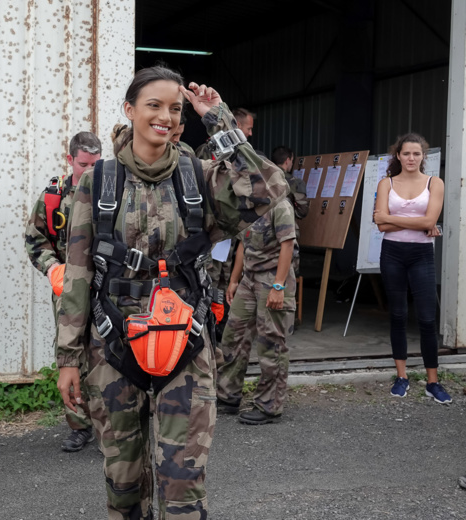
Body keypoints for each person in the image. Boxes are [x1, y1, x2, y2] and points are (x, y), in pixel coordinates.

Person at [56, 66, 287, 519]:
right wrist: (68, 358)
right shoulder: (97, 181)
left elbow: (268, 190)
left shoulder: (200, 177)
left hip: (187, 343)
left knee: (182, 485)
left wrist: (217, 118)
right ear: (130, 110)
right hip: (114, 345)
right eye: (153, 105)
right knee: (123, 484)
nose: (165, 116)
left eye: (175, 109)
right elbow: (78, 272)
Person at [25, 131, 102, 452]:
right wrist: (52, 268)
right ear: (70, 160)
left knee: (104, 357)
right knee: (71, 359)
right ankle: (79, 425)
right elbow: (35, 240)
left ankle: (109, 426)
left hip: (104, 289)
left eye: (97, 164)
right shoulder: (53, 197)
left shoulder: (111, 192)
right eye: (84, 164)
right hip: (67, 292)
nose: (91, 171)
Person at [373, 133, 450, 404]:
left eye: (417, 154)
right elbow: (380, 226)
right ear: (398, 155)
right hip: (392, 253)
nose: (411, 158)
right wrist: (419, 221)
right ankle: (402, 377)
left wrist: (393, 218)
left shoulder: (434, 183)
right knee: (398, 315)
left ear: (423, 157)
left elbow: (430, 218)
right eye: (406, 153)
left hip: (421, 255)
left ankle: (433, 381)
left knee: (428, 319)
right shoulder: (386, 183)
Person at [215, 198, 297, 425]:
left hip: (272, 279)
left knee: (271, 342)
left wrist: (278, 286)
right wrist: (233, 279)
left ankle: (269, 405)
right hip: (249, 280)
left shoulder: (279, 205)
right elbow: (243, 243)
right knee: (234, 334)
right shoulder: (248, 205)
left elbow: (287, 244)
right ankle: (227, 395)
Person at [271, 145, 309, 273]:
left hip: (262, 231)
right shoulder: (295, 182)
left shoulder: (262, 179)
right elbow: (302, 212)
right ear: (288, 160)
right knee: (288, 273)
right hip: (286, 231)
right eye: (292, 161)